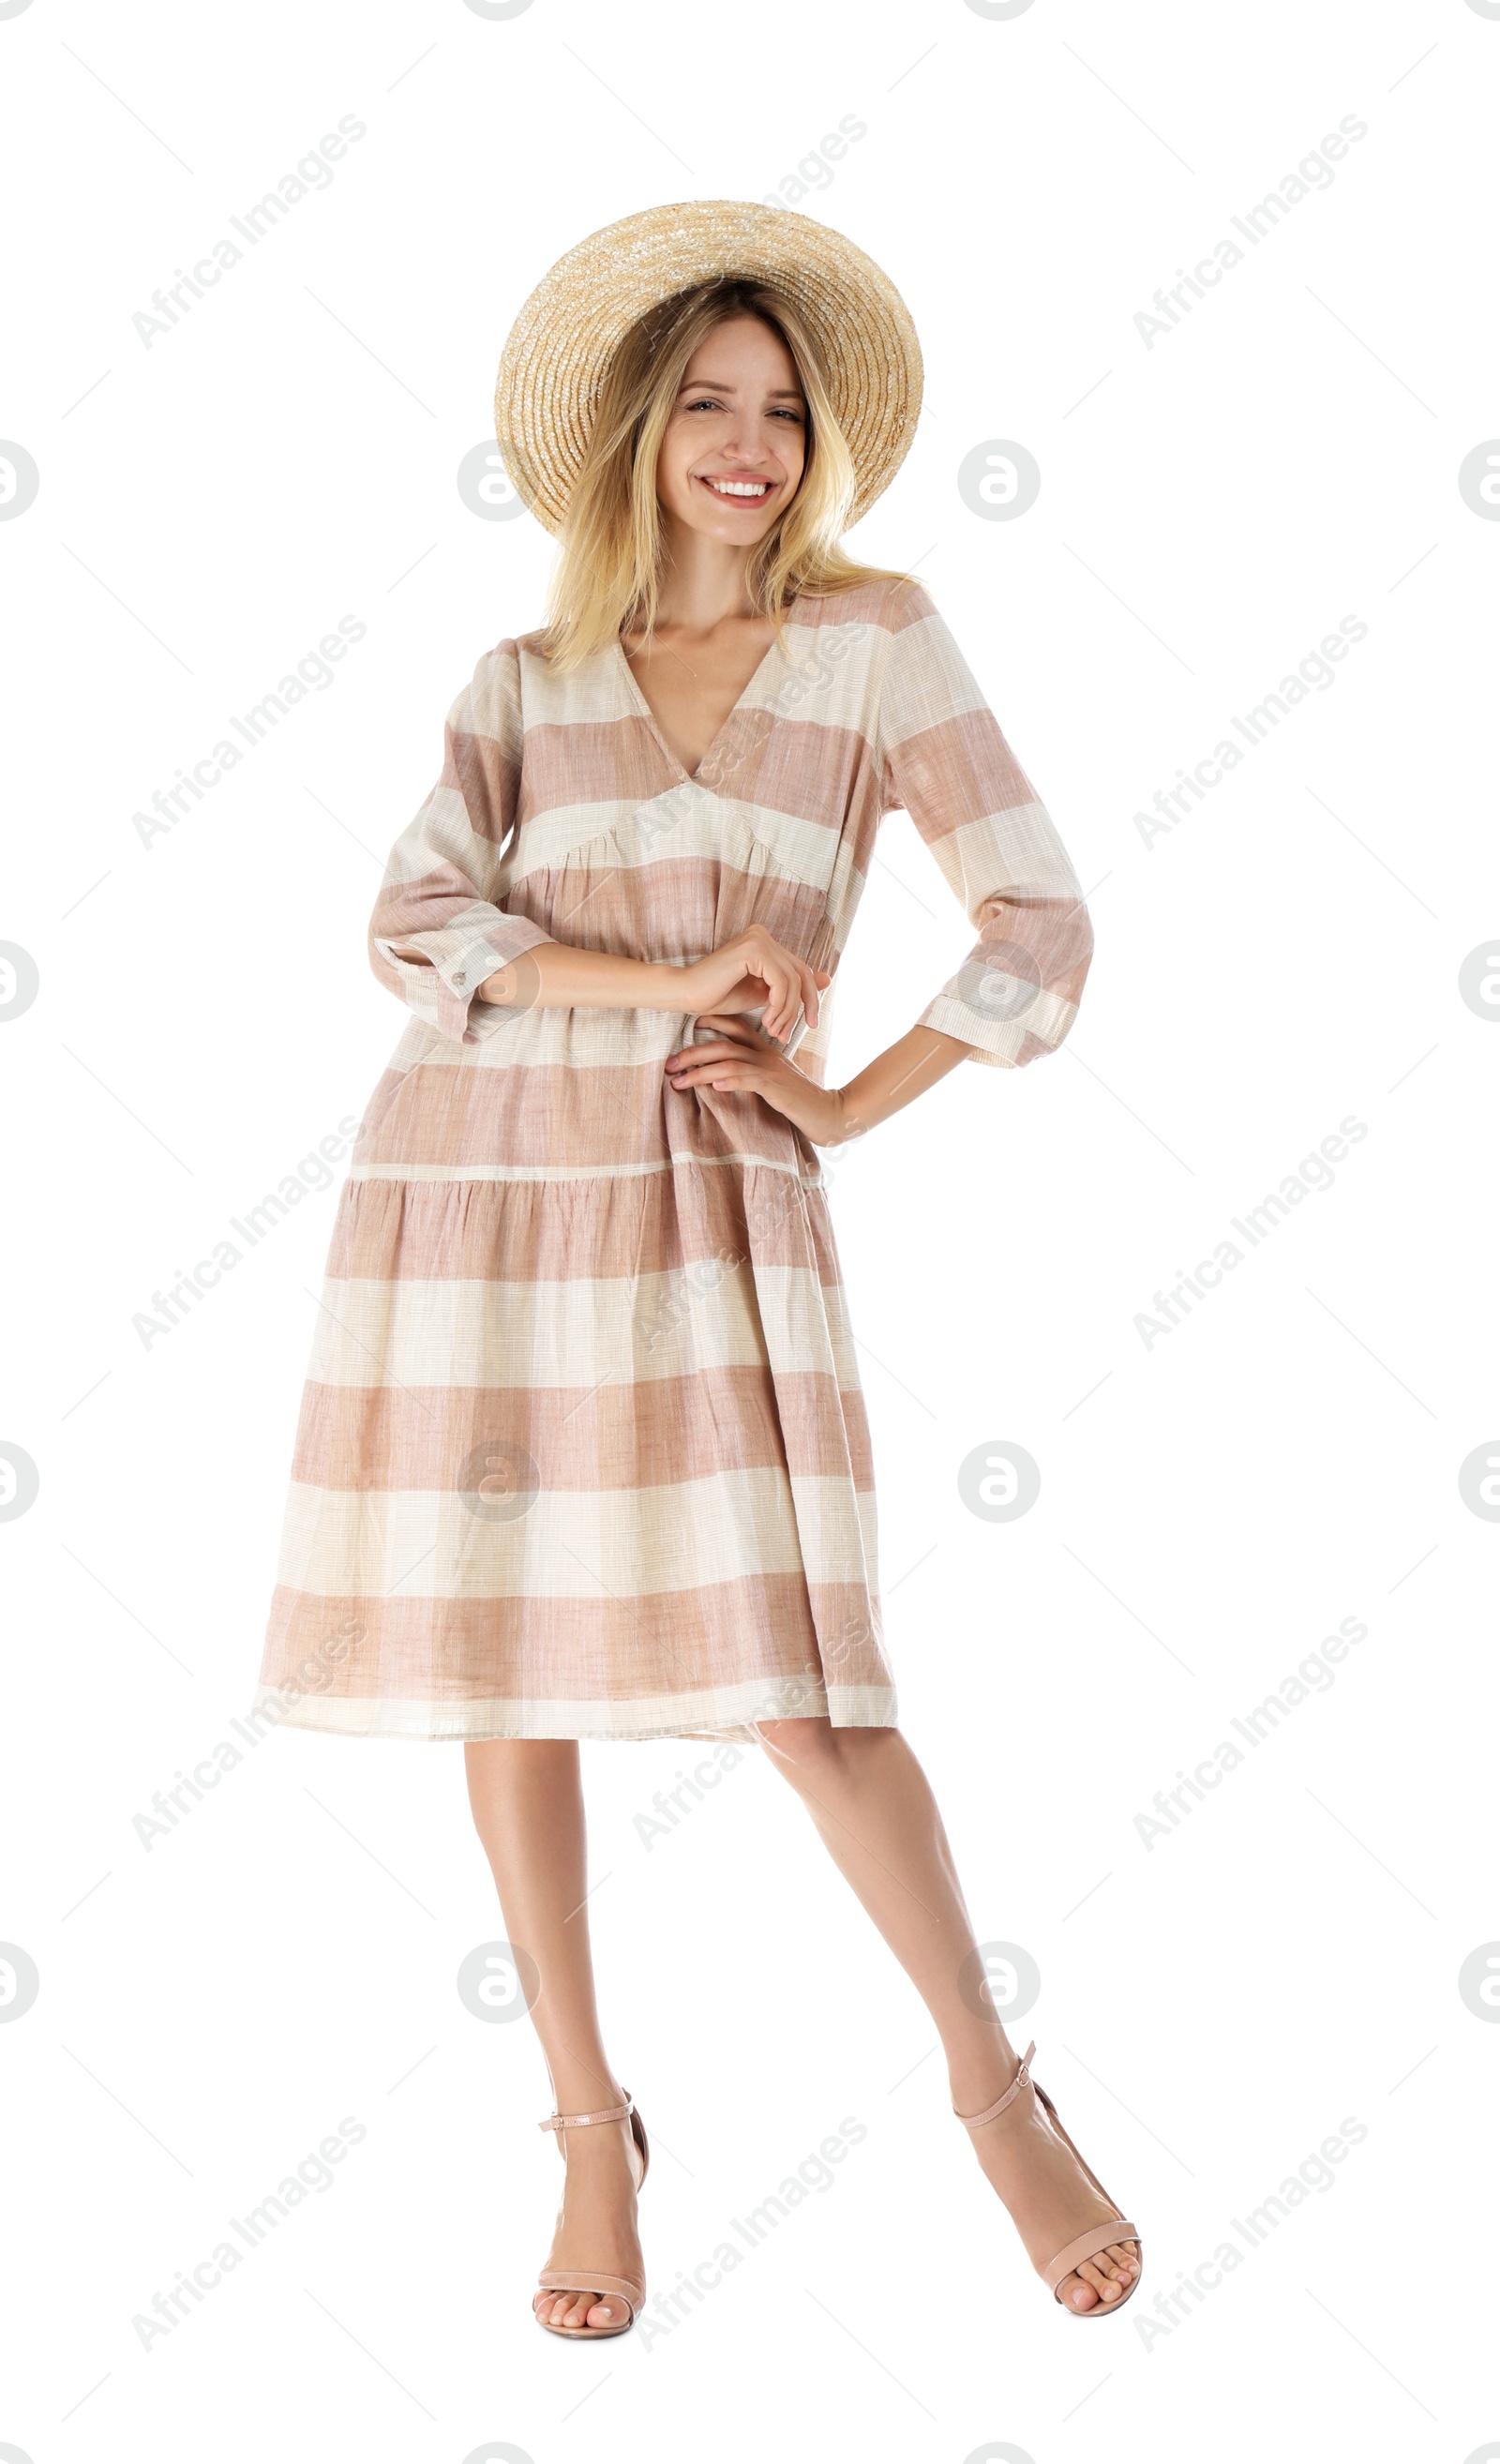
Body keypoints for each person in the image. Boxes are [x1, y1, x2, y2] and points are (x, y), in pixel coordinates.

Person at [257, 201, 1140, 2336]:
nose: (746, 445)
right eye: (706, 406)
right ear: (638, 433)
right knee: (501, 1666)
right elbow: (411, 934)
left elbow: (1035, 922)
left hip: (705, 1204)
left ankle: (988, 2086)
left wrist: (843, 1101)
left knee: (802, 1685)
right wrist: (658, 974)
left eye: (779, 411)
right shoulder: (523, 680)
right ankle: (584, 2127)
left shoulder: (873, 640)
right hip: (471, 1195)